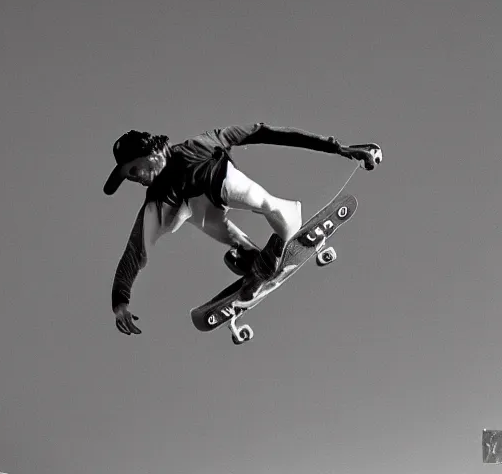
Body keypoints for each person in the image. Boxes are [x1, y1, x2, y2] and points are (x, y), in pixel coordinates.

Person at [103, 123, 382, 335]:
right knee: (187, 214)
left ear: (150, 154)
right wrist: (120, 303)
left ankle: (285, 220)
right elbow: (134, 249)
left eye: (134, 171)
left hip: (224, 181)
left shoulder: (200, 144)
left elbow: (266, 132)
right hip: (207, 206)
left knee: (252, 199)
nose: (135, 180)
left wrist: (339, 148)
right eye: (130, 177)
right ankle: (249, 253)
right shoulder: (156, 197)